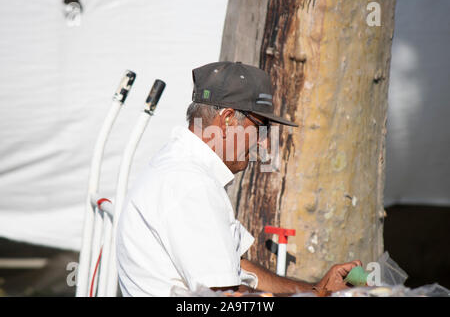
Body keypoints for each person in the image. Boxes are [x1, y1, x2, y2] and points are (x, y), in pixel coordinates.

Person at [116, 61, 362, 296]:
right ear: (227, 119)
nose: (264, 142)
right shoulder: (190, 183)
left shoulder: (181, 166)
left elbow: (237, 268)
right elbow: (228, 296)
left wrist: (316, 291)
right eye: (262, 127)